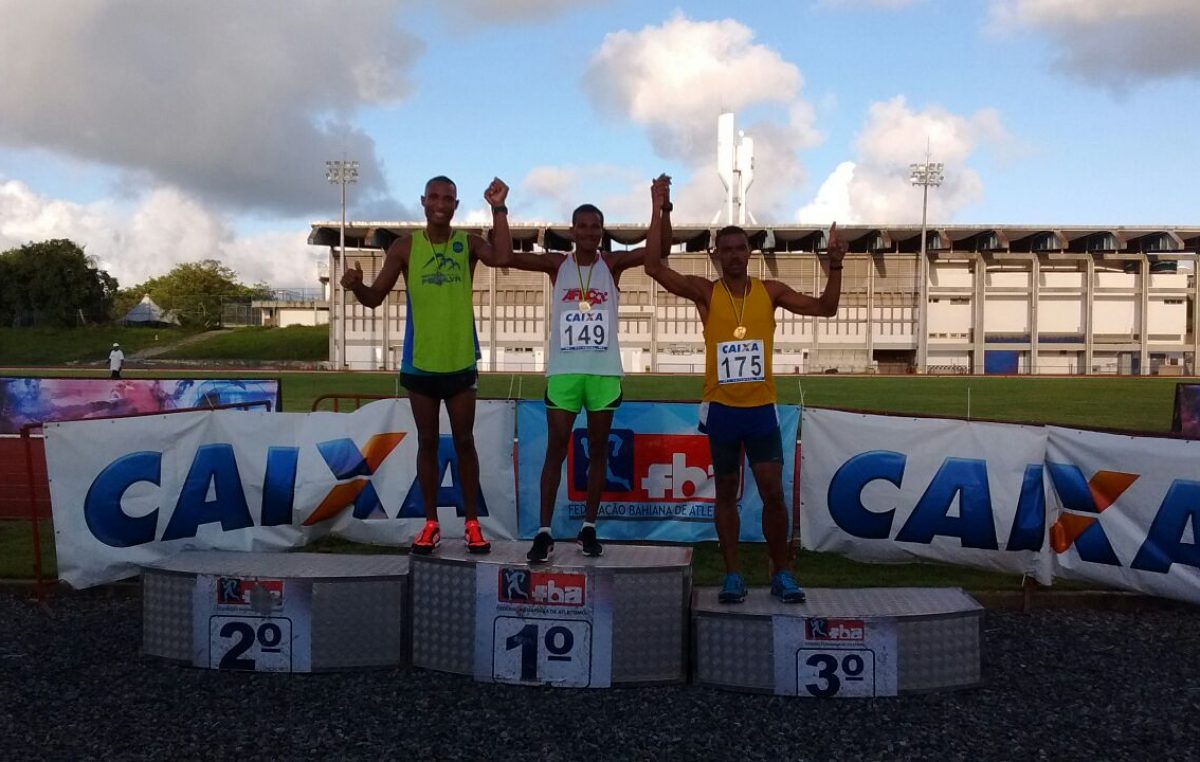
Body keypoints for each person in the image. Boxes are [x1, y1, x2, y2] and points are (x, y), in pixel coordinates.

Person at [642, 180, 847, 603]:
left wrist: (837, 266)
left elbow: (826, 308)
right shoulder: (706, 292)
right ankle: (733, 574)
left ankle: (782, 573)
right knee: (725, 494)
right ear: (716, 253)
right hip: (722, 410)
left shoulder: (769, 293)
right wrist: (660, 209)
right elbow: (654, 267)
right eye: (726, 248)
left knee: (772, 492)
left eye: (740, 248)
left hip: (759, 410)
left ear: (749, 253)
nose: (733, 255)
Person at [496, 176, 673, 564]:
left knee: (597, 452)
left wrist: (659, 206)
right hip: (564, 373)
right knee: (556, 450)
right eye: (583, 227)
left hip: (603, 372)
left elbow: (658, 254)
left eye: (596, 227)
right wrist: (500, 209)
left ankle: (589, 527)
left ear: (601, 232)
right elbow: (506, 257)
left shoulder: (613, 263)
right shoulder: (555, 265)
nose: (590, 233)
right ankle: (544, 533)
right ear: (572, 231)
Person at [341, 175, 513, 555]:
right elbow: (373, 299)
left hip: (459, 360)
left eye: (447, 198)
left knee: (465, 443)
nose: (440, 203)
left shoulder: (466, 243)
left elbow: (502, 258)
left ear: (455, 204)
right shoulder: (404, 248)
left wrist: (498, 208)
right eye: (433, 197)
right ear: (422, 202)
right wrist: (354, 284)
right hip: (420, 364)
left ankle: (472, 524)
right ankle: (431, 524)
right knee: (428, 443)